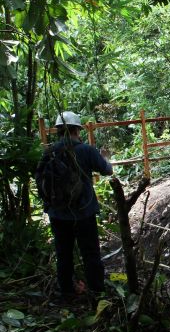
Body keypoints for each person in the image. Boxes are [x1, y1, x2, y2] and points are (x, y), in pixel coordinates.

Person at [37, 111, 113, 296]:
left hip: (57, 213)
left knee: (64, 254)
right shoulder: (86, 150)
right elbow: (107, 171)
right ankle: (97, 292)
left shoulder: (49, 152)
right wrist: (106, 157)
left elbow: (40, 179)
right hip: (84, 211)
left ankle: (67, 293)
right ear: (77, 130)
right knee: (91, 253)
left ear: (58, 131)